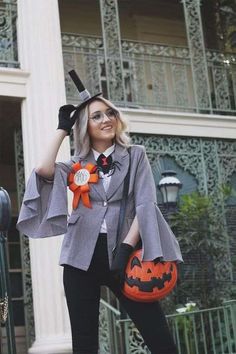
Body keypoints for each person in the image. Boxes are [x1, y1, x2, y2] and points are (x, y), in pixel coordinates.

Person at [17, 71, 183, 354]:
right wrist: (61, 129)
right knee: (84, 344)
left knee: (159, 337)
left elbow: (144, 204)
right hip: (80, 257)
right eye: (96, 116)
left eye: (110, 113)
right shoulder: (75, 164)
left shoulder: (135, 155)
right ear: (85, 125)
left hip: (125, 255)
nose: (106, 120)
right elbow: (44, 171)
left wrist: (124, 250)